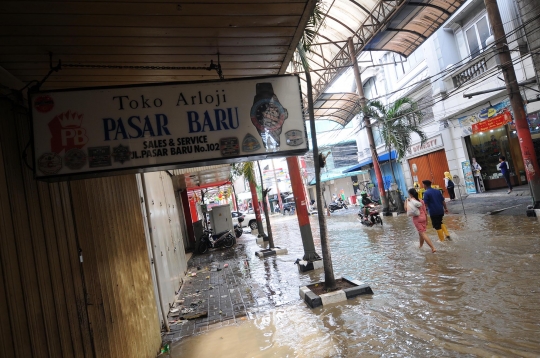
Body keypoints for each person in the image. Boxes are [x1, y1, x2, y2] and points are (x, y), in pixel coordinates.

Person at [405, 188, 436, 253]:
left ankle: (433, 248)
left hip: (417, 219)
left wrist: (406, 201)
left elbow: (406, 209)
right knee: (420, 233)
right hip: (423, 218)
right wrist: (427, 220)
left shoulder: (410, 201)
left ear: (410, 194)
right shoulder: (421, 201)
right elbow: (425, 211)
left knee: (423, 233)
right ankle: (421, 246)